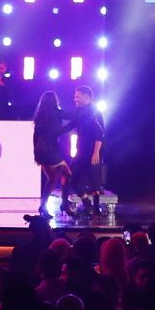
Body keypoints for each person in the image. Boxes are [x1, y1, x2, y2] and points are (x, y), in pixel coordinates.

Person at [65, 84, 105, 218]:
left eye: (77, 96)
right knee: (71, 176)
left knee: (94, 181)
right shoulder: (78, 112)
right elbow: (70, 125)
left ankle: (96, 209)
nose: (74, 99)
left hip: (92, 151)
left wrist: (96, 153)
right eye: (74, 96)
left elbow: (99, 134)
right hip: (81, 151)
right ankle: (87, 203)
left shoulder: (94, 112)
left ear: (86, 97)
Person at [34, 90, 71, 218]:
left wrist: (35, 152)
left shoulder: (39, 115)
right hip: (50, 151)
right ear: (55, 101)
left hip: (40, 151)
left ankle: (48, 205)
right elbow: (58, 131)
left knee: (54, 178)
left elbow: (36, 135)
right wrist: (73, 125)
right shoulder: (56, 112)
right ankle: (62, 204)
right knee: (65, 174)